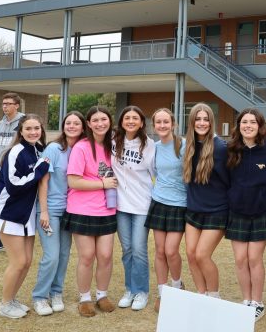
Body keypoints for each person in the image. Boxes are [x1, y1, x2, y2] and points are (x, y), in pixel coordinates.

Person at [0, 114, 50, 318]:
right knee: (18, 261)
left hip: (27, 216)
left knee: (27, 261)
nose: (33, 132)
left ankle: (12, 299)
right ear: (20, 131)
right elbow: (14, 186)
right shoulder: (15, 151)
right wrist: (39, 171)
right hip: (9, 213)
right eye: (28, 128)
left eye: (36, 128)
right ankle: (4, 305)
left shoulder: (38, 150)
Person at [61, 106, 118, 317]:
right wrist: (102, 184)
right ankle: (85, 297)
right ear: (89, 124)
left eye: (104, 119)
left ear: (110, 122)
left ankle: (102, 295)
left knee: (105, 255)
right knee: (87, 256)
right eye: (95, 120)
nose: (100, 123)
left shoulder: (114, 146)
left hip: (107, 209)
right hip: (82, 209)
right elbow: (73, 181)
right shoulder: (82, 147)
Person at [226, 108, 266, 322]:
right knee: (240, 259)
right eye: (244, 122)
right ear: (238, 126)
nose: (248, 125)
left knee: (254, 258)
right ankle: (246, 300)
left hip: (262, 212)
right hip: (237, 211)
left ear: (260, 126)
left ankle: (257, 303)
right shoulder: (230, 149)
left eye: (252, 122)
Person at [32, 111, 86, 316]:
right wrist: (43, 211)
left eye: (76, 123)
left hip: (71, 209)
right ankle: (39, 296)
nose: (71, 126)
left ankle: (56, 293)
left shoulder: (81, 149)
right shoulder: (54, 148)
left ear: (83, 127)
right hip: (50, 210)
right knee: (52, 255)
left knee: (63, 255)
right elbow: (43, 180)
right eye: (68, 123)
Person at [183, 103, 230, 298]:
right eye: (198, 118)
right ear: (192, 121)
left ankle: (214, 296)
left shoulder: (220, 148)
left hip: (217, 210)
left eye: (206, 119)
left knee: (202, 255)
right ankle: (201, 295)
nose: (202, 123)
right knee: (191, 255)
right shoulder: (188, 146)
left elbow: (230, 180)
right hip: (194, 209)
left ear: (211, 122)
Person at [112, 106, 156, 311]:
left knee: (139, 250)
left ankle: (141, 292)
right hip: (121, 205)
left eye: (135, 118)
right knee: (127, 250)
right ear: (121, 121)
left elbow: (156, 172)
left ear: (141, 122)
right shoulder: (113, 143)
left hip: (142, 205)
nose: (130, 121)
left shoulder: (149, 145)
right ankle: (129, 289)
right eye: (127, 117)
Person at [145, 108, 187, 311]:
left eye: (166, 122)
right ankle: (162, 293)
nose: (162, 126)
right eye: (158, 122)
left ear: (173, 124)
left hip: (179, 204)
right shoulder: (153, 147)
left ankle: (177, 287)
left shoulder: (184, 144)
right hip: (159, 202)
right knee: (160, 251)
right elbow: (152, 172)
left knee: (171, 251)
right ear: (154, 126)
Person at [0, 92, 25, 254]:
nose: (5, 106)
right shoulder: (0, 124)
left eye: (9, 103)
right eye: (3, 104)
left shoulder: (23, 121)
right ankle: (0, 240)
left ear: (16, 105)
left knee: (13, 204)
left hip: (14, 173)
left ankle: (14, 237)